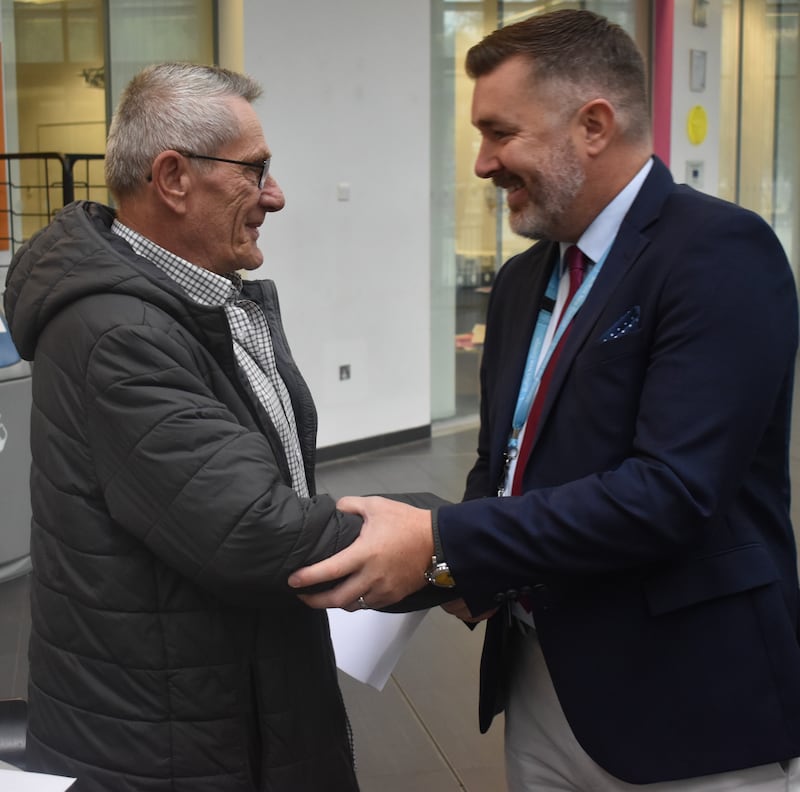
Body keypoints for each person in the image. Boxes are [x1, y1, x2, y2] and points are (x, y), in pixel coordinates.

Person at [289, 9, 800, 791]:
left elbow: (670, 493)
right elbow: (507, 462)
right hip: (541, 679)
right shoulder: (526, 278)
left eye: (500, 133)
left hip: (686, 702)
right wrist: (451, 569)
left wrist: (441, 540)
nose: (483, 163)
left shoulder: (718, 253)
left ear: (593, 125)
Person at [3, 62, 366, 792]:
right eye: (256, 170)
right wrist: (440, 545)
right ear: (173, 178)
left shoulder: (197, 303)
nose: (276, 195)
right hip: (170, 739)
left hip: (229, 698)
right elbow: (250, 528)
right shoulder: (118, 333)